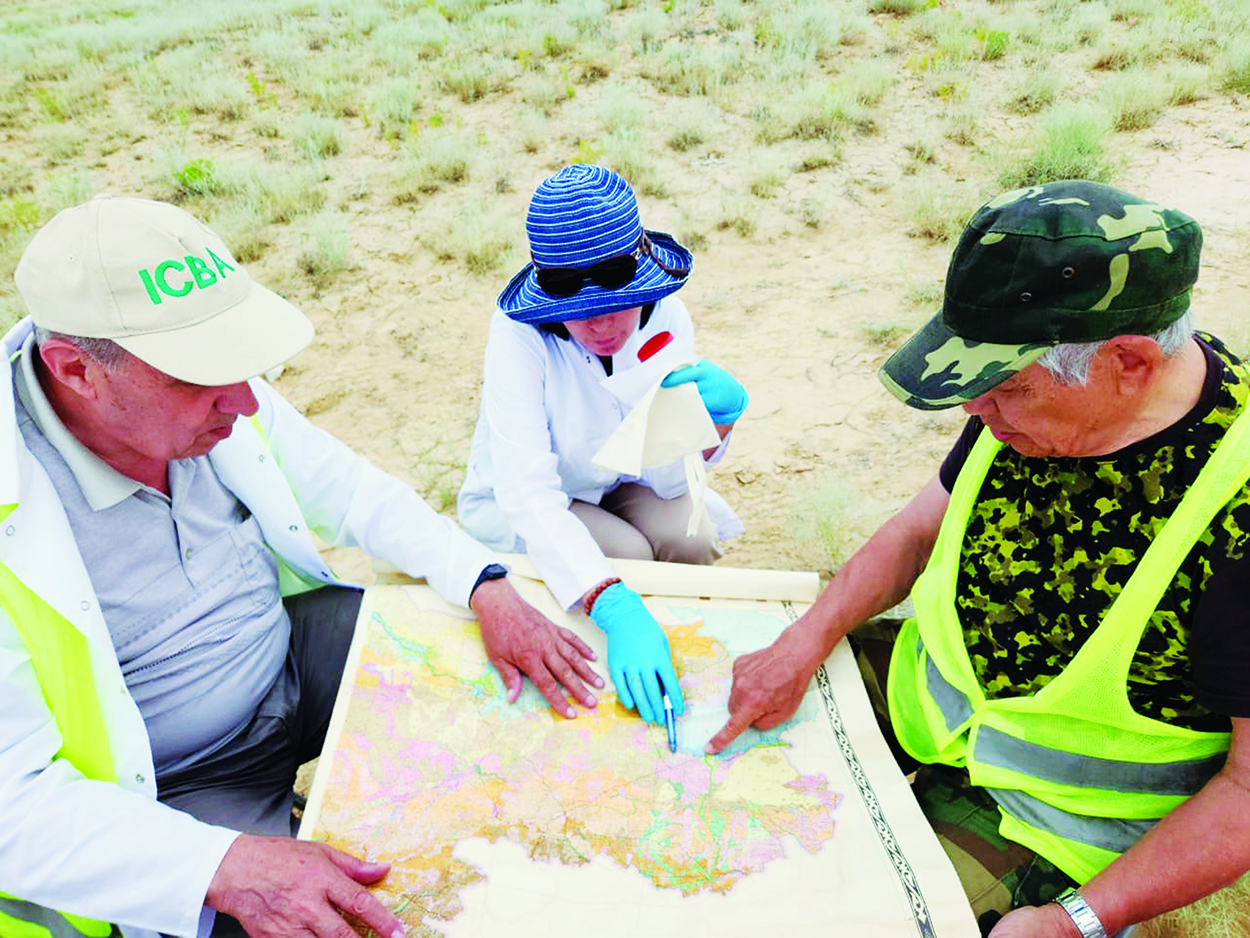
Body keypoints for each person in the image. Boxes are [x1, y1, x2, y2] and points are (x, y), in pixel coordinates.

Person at [0, 195, 605, 938]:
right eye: (202, 377)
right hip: (174, 788)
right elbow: (13, 803)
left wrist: (485, 584)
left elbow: (350, 491)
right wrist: (222, 867)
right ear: (77, 372)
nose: (249, 403)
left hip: (286, 662)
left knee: (482, 665)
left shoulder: (206, 393)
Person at [707, 180, 1250, 938]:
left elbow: (1246, 794)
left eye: (1003, 387)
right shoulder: (1039, 408)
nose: (976, 413)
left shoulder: (1239, 519)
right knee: (696, 709)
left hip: (1049, 823)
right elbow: (915, 531)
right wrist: (809, 635)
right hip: (925, 706)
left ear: (1129, 361)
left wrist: (1079, 921)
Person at [457, 164, 748, 726]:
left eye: (616, 291)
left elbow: (670, 466)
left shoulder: (669, 315)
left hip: (622, 472)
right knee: (628, 558)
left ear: (642, 272)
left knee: (694, 535)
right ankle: (620, 652)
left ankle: (671, 650)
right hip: (532, 497)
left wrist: (716, 428)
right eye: (572, 300)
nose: (599, 320)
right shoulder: (516, 335)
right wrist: (613, 605)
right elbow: (527, 492)